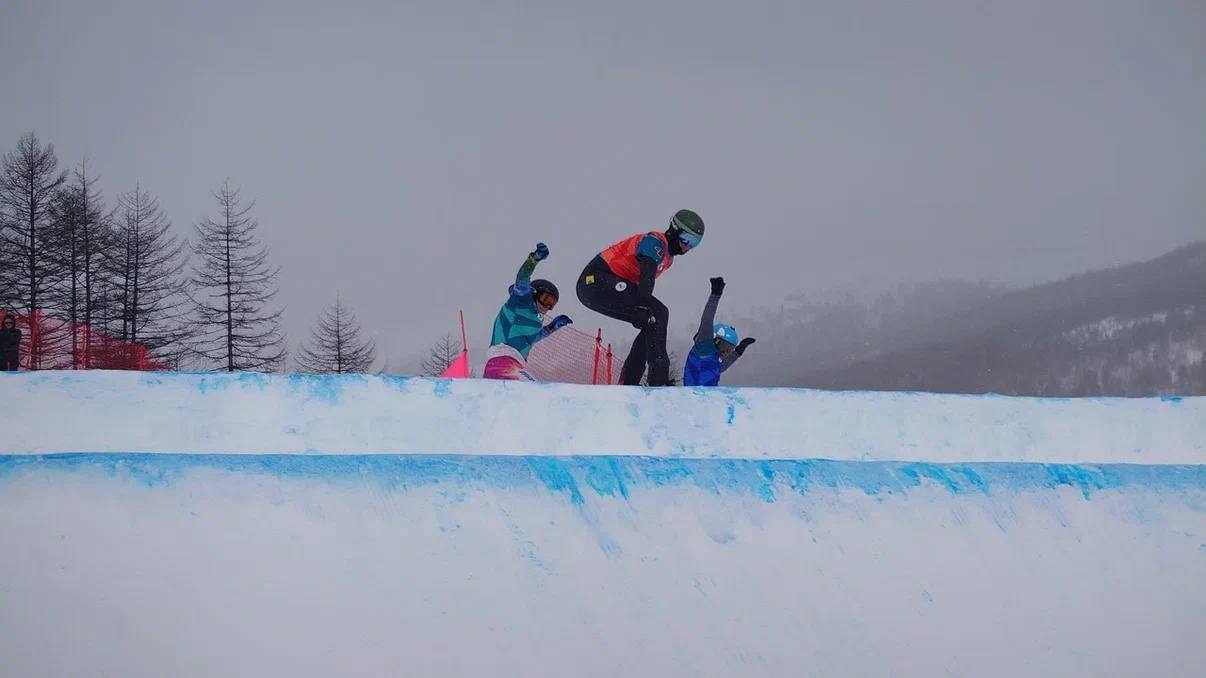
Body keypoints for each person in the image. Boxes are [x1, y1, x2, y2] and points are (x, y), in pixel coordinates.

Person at [577, 209, 704, 386]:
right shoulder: (656, 241)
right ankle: (657, 377)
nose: (688, 247)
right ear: (674, 229)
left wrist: (644, 308)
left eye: (694, 244)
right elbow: (647, 272)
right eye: (686, 239)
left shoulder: (668, 257)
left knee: (651, 321)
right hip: (596, 279)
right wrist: (643, 304)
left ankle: (629, 380)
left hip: (604, 284)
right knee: (659, 313)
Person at [483, 242, 573, 381]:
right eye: (546, 299)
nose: (547, 306)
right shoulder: (521, 300)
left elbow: (533, 338)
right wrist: (533, 260)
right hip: (503, 357)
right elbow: (522, 278)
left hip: (515, 362)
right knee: (533, 392)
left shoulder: (536, 318)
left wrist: (552, 327)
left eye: (552, 304)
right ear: (535, 293)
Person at [682, 277, 756, 386]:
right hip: (695, 395)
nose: (725, 352)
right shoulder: (704, 347)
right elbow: (707, 320)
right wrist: (715, 295)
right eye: (724, 346)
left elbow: (722, 366)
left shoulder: (713, 361)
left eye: (729, 349)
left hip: (708, 398)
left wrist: (738, 351)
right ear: (714, 339)